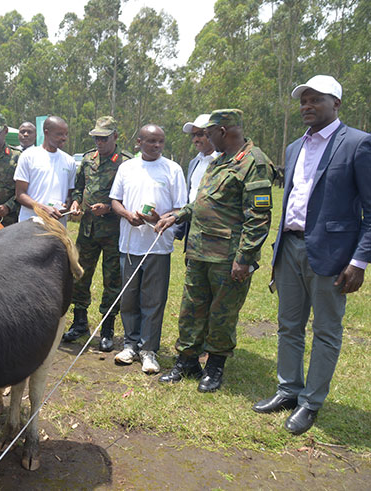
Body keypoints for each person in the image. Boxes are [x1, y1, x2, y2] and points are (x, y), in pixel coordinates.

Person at [251, 75, 370, 435]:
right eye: (303, 100)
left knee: (326, 330)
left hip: (333, 254)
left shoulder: (358, 144)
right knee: (288, 325)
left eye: (315, 100)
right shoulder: (292, 148)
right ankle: (288, 389)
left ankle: (310, 402)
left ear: (336, 103)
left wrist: (359, 261)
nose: (307, 106)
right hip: (289, 247)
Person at [155, 109, 275, 391]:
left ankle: (214, 367)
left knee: (222, 313)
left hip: (227, 257)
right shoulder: (219, 161)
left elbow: (258, 217)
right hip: (199, 250)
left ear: (223, 131)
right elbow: (204, 200)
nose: (205, 137)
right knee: (191, 309)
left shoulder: (254, 163)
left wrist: (244, 259)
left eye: (209, 133)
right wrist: (179, 215)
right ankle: (187, 362)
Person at [108, 124, 186, 374]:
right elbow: (115, 201)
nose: (157, 146)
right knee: (129, 297)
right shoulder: (126, 168)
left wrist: (158, 218)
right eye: (151, 141)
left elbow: (180, 208)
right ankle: (130, 345)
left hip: (157, 244)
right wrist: (127, 214)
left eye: (161, 141)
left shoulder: (172, 169)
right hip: (130, 243)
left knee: (153, 300)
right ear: (138, 142)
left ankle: (148, 350)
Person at [62, 116, 132, 350]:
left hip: (114, 231)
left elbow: (129, 198)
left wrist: (109, 208)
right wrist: (75, 203)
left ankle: (107, 328)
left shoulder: (126, 163)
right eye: (96, 138)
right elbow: (79, 189)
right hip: (88, 229)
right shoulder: (87, 159)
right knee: (80, 274)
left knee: (112, 280)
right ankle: (80, 321)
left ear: (115, 137)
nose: (99, 142)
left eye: (103, 138)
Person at [14, 115, 76, 224]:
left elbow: (69, 195)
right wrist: (42, 208)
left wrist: (67, 205)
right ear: (46, 133)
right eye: (59, 134)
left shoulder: (69, 161)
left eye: (66, 134)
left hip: (57, 226)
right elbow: (20, 194)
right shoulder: (28, 156)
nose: (64, 138)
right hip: (30, 224)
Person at [174, 113, 220, 245]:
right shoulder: (194, 163)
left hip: (216, 236)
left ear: (212, 134)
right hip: (193, 234)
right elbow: (190, 198)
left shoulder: (225, 162)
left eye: (200, 134)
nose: (195, 139)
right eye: (193, 135)